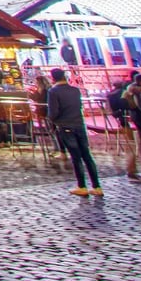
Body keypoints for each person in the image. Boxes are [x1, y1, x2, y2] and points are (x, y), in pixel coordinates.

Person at [46, 69, 103, 197]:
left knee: (76, 157)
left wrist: (53, 120)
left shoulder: (53, 92)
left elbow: (53, 112)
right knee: (87, 156)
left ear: (53, 78)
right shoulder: (75, 90)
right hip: (79, 124)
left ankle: (82, 186)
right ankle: (96, 186)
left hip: (65, 125)